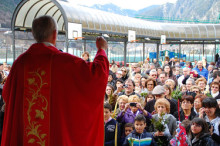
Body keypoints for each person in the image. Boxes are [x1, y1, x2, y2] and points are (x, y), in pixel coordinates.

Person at [1, 16, 109, 146]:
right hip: (57, 136)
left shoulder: (20, 63)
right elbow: (96, 75)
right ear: (55, 34)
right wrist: (101, 50)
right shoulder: (65, 62)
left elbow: (7, 95)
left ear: (34, 34)